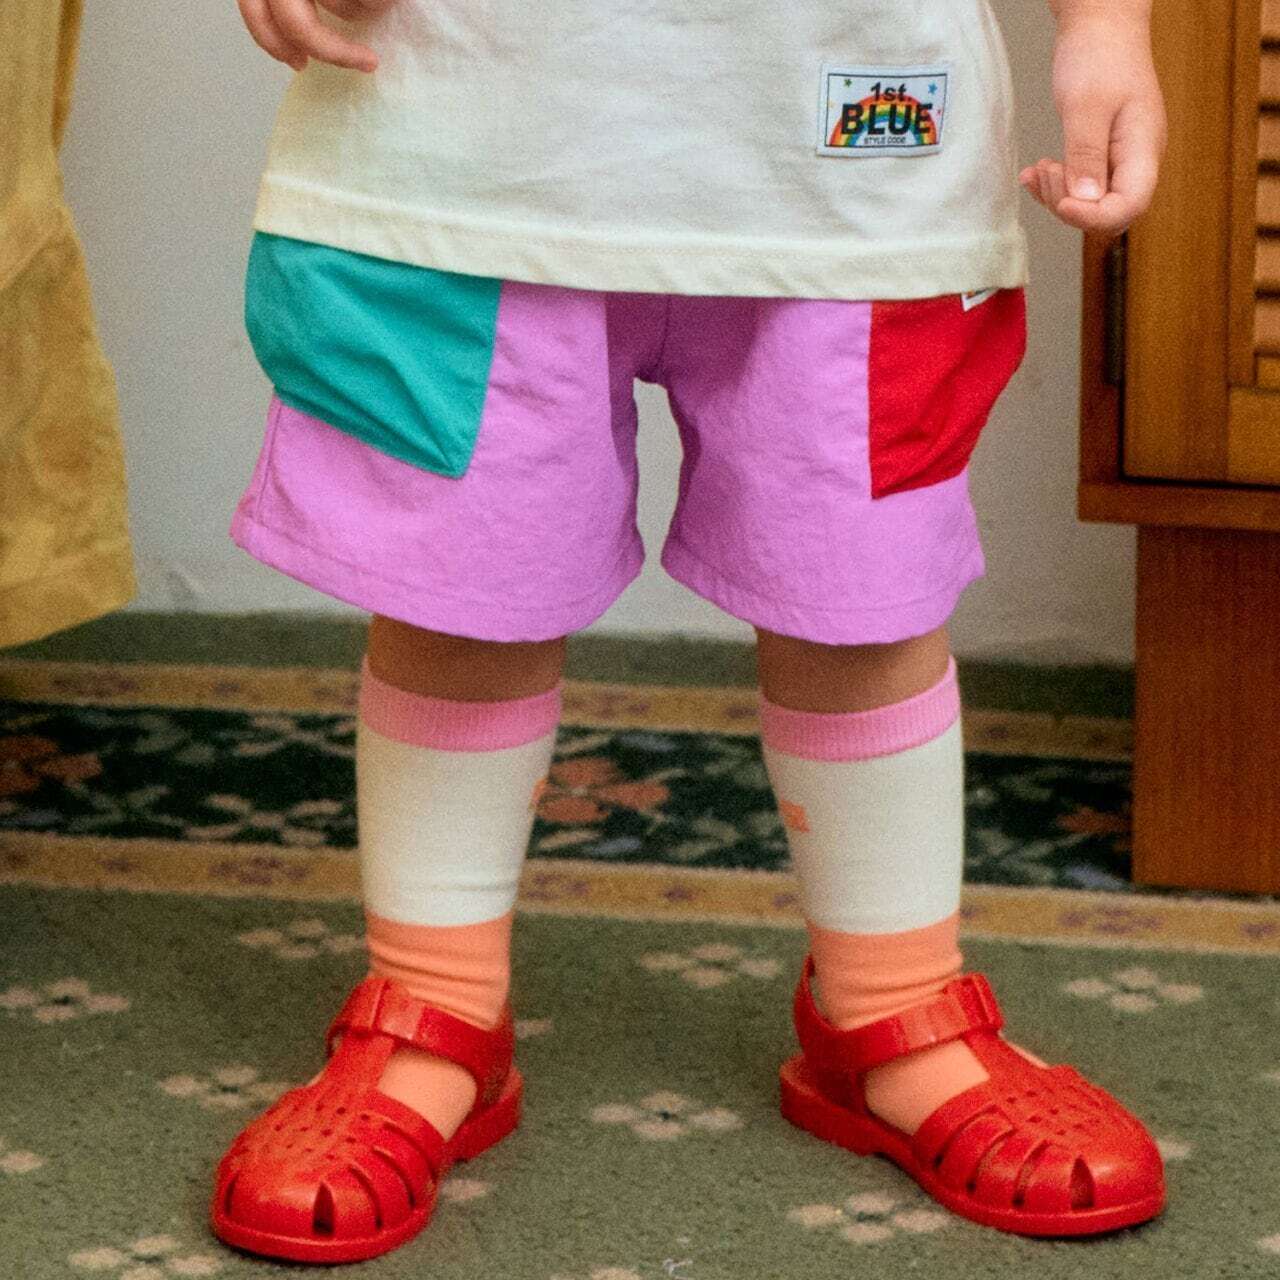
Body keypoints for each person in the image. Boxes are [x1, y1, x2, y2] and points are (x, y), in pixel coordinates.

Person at [212, 0, 1167, 1261]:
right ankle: (434, 996)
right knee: (464, 581)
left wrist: (1105, 27)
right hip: (463, 129)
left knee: (858, 586)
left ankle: (888, 1001)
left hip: (855, 132)